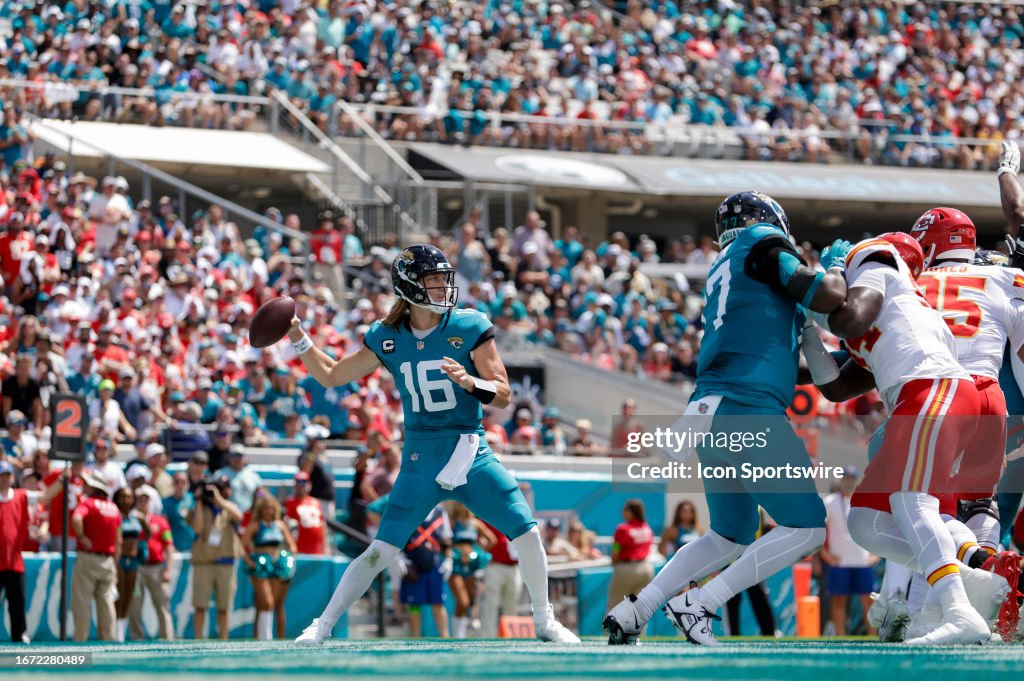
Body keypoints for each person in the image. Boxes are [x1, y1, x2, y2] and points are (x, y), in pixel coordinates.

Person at [292, 244, 578, 644]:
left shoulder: (468, 326)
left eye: (445, 279)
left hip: (469, 448)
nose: (444, 287)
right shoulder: (386, 336)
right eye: (434, 280)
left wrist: (470, 383)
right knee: (380, 551)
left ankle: (544, 620)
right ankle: (321, 627)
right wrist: (298, 337)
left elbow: (503, 393)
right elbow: (333, 376)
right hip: (420, 455)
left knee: (526, 531)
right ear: (409, 286)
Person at [604, 191, 847, 646]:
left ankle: (639, 608)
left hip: (707, 413)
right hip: (747, 408)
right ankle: (703, 601)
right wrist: (837, 270)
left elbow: (825, 377)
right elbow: (826, 293)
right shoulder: (763, 243)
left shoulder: (736, 271)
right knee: (809, 526)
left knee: (728, 535)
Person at [810, 232, 1009, 644]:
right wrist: (803, 334)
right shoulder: (897, 313)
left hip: (932, 389)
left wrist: (825, 280)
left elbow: (849, 319)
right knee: (866, 521)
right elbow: (834, 387)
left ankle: (957, 611)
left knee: (911, 501)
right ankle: (969, 578)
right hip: (925, 395)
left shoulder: (875, 258)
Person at [821, 467, 877, 637]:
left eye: (852, 479)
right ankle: (840, 635)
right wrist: (825, 554)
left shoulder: (866, 503)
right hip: (840, 561)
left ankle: (872, 635)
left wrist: (876, 554)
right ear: (840, 481)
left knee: (868, 600)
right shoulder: (829, 502)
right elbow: (819, 530)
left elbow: (877, 529)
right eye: (845, 479)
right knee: (838, 600)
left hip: (863, 560)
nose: (849, 483)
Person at [71, 471, 122, 641]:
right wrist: (114, 562)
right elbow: (118, 540)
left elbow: (76, 518)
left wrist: (81, 537)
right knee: (107, 604)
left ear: (95, 487)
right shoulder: (114, 508)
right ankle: (109, 642)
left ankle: (80, 643)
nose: (85, 487)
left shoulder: (89, 503)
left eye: (88, 484)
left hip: (88, 558)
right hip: (107, 560)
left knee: (82, 603)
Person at [190, 474, 242, 640]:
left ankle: (224, 638)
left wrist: (219, 500)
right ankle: (198, 639)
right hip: (203, 562)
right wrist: (199, 500)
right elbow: (197, 529)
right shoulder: (199, 507)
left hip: (225, 561)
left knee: (224, 606)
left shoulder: (227, 506)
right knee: (200, 605)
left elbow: (239, 517)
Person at [243, 494, 297, 640]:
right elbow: (243, 545)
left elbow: (291, 544)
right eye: (266, 508)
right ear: (261, 509)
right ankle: (263, 637)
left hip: (277, 564)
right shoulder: (255, 525)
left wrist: (289, 557)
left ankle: (279, 638)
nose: (269, 511)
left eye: (272, 508)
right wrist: (250, 561)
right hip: (260, 564)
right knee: (265, 602)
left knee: (277, 603)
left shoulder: (279, 525)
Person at [399, 503, 453, 638]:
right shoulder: (409, 510)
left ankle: (444, 637)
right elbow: (400, 536)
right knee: (414, 604)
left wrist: (448, 560)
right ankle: (415, 637)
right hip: (413, 564)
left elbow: (446, 539)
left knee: (438, 603)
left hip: (434, 563)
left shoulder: (440, 512)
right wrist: (399, 558)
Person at [129, 488, 175, 641]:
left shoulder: (160, 521)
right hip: (137, 567)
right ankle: (137, 639)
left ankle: (167, 639)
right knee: (135, 606)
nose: (143, 503)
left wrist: (168, 570)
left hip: (157, 568)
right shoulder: (130, 520)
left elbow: (169, 546)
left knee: (163, 606)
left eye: (145, 500)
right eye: (140, 500)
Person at [447, 502, 495, 639]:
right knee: (463, 601)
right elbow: (444, 539)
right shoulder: (452, 522)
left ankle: (461, 633)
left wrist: (478, 552)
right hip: (455, 564)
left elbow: (492, 540)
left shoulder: (475, 523)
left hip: (471, 565)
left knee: (470, 600)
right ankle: (457, 635)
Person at [0, 459, 30, 643]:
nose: (4, 479)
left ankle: (20, 634)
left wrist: (62, 480)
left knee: (17, 603)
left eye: (6, 475)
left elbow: (44, 496)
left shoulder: (20, 496)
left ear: (12, 477)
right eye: (1, 476)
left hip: (14, 562)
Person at [608, 500, 654, 610]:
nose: (622, 512)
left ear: (630, 511)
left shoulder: (623, 528)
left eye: (624, 509)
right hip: (646, 568)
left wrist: (614, 562)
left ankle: (612, 627)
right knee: (639, 608)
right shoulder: (646, 527)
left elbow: (615, 549)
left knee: (615, 607)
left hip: (626, 569)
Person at [113, 487, 144, 642]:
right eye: (123, 497)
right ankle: (114, 633)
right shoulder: (115, 515)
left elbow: (147, 532)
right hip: (120, 560)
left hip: (133, 560)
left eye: (129, 497)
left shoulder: (135, 517)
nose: (126, 500)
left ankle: (121, 633)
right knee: (118, 596)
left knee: (128, 596)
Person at [285, 472, 327, 555]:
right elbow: (287, 526)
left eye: (304, 482)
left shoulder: (316, 502)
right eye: (298, 482)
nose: (301, 486)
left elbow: (322, 524)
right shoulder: (290, 502)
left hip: (317, 550)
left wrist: (325, 546)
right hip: (300, 549)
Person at [216, 444, 261, 514]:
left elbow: (259, 493)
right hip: (226, 515)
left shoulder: (253, 476)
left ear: (245, 457)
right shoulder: (219, 474)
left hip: (248, 515)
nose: (237, 459)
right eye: (234, 456)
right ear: (229, 457)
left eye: (239, 456)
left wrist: (255, 509)